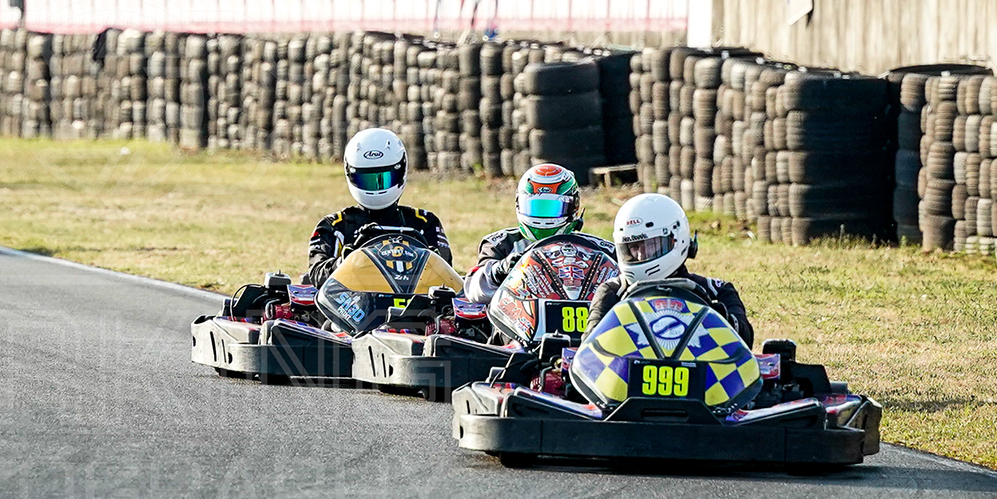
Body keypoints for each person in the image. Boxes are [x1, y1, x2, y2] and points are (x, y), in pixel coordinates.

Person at [586, 193, 753, 345]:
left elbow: (745, 342)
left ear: (676, 240)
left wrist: (719, 319)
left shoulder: (717, 291)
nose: (640, 255)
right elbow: (590, 348)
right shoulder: (612, 291)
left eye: (650, 245)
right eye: (633, 247)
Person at [304, 127, 452, 285]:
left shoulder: (424, 223)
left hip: (415, 299)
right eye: (366, 180)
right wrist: (344, 262)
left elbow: (448, 276)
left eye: (384, 178)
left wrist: (430, 261)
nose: (376, 188)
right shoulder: (335, 226)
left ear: (401, 171)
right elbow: (316, 273)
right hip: (354, 299)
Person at [463, 163, 615, 302]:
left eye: (552, 208)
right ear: (519, 204)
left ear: (573, 207)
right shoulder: (500, 244)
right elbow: (472, 290)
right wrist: (500, 270)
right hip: (518, 319)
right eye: (535, 207)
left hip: (588, 318)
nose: (543, 217)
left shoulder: (601, 250)